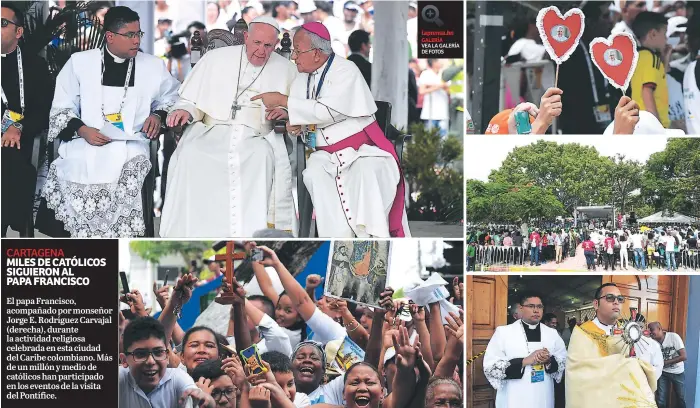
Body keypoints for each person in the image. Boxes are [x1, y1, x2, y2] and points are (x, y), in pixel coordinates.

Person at [251, 22, 410, 238]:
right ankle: (337, 239)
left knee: (367, 171)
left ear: (316, 53)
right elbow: (308, 119)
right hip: (324, 155)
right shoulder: (301, 78)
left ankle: (371, 236)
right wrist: (293, 121)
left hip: (362, 150)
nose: (294, 57)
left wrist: (283, 100)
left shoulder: (346, 70)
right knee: (314, 175)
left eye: (298, 51)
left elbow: (327, 111)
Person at [39, 6, 180, 237]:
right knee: (73, 167)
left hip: (131, 144)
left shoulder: (152, 65)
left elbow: (173, 97)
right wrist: (83, 130)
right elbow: (62, 106)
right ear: (110, 36)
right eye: (130, 35)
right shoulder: (79, 63)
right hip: (85, 141)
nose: (136, 40)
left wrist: (158, 115)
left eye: (139, 34)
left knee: (128, 171)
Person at [161, 16, 298, 237]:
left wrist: (285, 111)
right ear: (246, 37)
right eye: (256, 43)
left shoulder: (286, 69)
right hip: (211, 129)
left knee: (261, 156)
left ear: (275, 45)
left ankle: (248, 233)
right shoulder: (214, 59)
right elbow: (191, 100)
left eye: (268, 46)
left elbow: (295, 106)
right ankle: (192, 233)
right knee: (190, 153)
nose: (261, 51)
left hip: (256, 135)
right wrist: (184, 111)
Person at [566, 283, 663, 407]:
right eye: (610, 298)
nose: (616, 302)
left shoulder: (626, 330)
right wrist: (627, 365)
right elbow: (578, 373)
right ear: (596, 304)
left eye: (620, 299)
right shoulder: (582, 332)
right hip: (595, 399)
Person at [1, 4, 53, 236]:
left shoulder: (35, 66)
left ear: (18, 32)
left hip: (17, 143)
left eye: (2, 23)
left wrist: (19, 126)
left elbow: (44, 111)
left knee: (12, 162)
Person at [483, 292, 567, 408]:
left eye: (539, 307)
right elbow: (490, 367)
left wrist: (548, 361)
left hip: (543, 394)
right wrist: (524, 361)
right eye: (531, 306)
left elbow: (563, 361)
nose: (536, 310)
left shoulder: (552, 334)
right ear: (521, 309)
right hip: (515, 395)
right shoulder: (503, 333)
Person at [119, 317, 216, 408]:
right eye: (140, 354)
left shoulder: (177, 379)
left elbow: (196, 394)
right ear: (124, 360)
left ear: (167, 356)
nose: (151, 361)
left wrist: (208, 401)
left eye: (158, 352)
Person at [630, 11, 671, 128]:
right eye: (664, 34)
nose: (666, 39)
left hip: (641, 123)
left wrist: (665, 59)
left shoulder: (640, 56)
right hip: (651, 125)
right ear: (653, 34)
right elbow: (647, 92)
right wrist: (657, 127)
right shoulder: (651, 58)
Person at [649, 322, 687, 408]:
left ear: (659, 329)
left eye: (652, 330)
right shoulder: (652, 341)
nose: (650, 332)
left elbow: (684, 356)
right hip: (663, 373)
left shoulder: (673, 337)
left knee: (680, 397)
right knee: (661, 399)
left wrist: (665, 363)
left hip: (677, 372)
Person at [418, 59, 450, 137]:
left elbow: (449, 90)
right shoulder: (426, 74)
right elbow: (421, 91)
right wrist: (439, 86)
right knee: (430, 137)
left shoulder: (445, 73)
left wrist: (432, 86)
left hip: (443, 112)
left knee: (443, 137)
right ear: (433, 62)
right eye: (438, 60)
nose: (441, 62)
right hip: (430, 112)